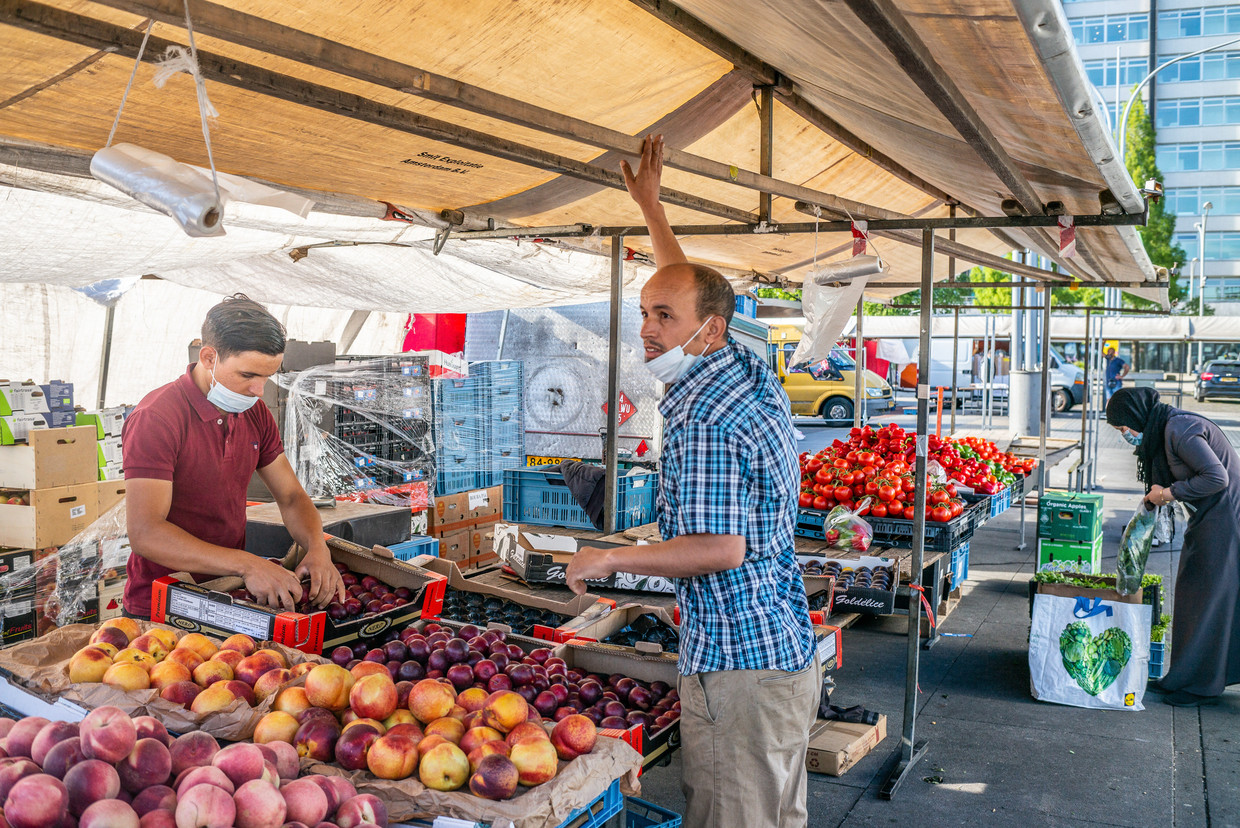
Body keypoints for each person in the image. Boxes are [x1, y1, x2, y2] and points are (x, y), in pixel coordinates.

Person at [565, 135, 819, 828]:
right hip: (780, 651)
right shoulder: (741, 365)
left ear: (707, 331)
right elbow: (689, 281)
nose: (646, 328)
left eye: (661, 316)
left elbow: (719, 548)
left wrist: (608, 557)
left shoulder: (703, 414)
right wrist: (651, 207)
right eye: (644, 311)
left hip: (739, 667)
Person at [122, 294, 346, 619]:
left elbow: (292, 496)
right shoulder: (157, 418)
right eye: (247, 376)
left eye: (267, 376)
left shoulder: (254, 414)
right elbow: (146, 533)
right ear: (209, 357)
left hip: (228, 594)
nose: (259, 390)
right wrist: (247, 563)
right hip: (162, 604)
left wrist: (317, 547)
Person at [1106, 387, 1240, 707]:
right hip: (1209, 516)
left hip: (1226, 518)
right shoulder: (1166, 429)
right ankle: (1183, 676)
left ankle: (1200, 686)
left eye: (1125, 429)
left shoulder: (1180, 430)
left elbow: (1216, 477)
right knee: (1195, 593)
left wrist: (1167, 493)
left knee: (1206, 598)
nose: (1127, 436)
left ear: (1137, 418)